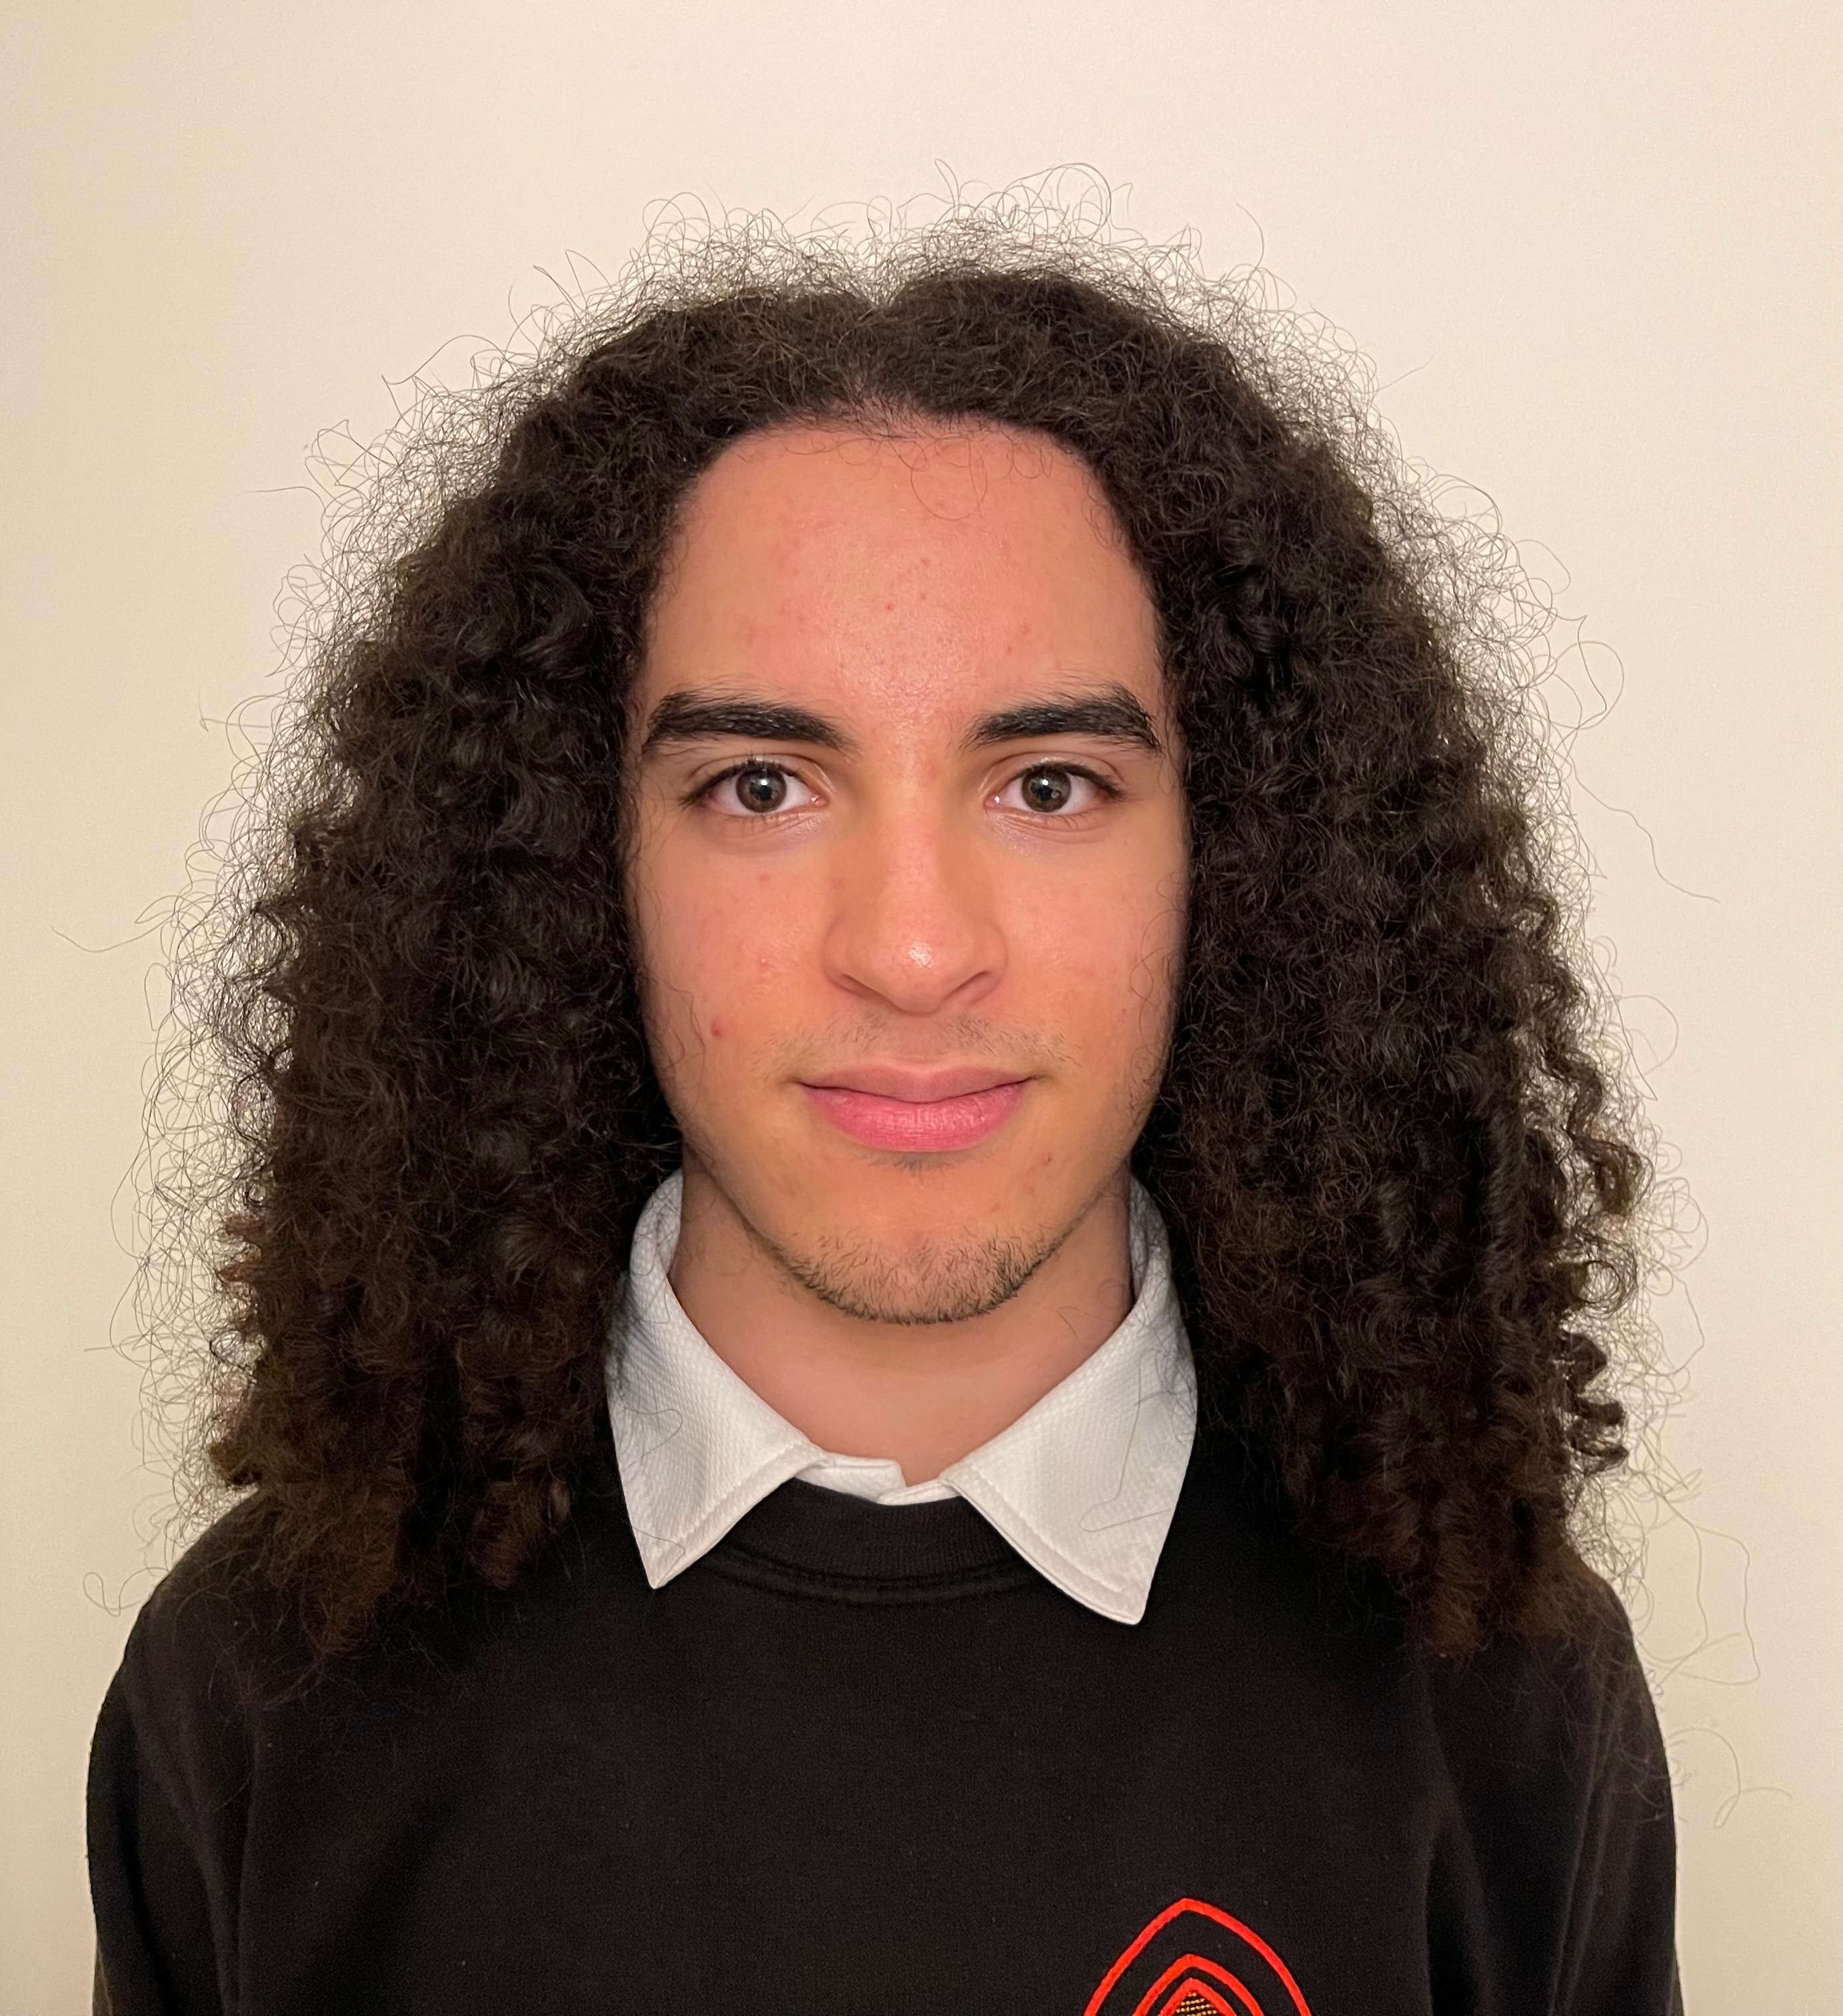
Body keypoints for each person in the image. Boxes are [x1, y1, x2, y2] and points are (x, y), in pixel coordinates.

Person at [86, 208, 1681, 2014]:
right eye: (762, 786)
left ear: (1236, 863)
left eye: (1050, 785)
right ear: (573, 865)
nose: (914, 950)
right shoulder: (263, 1691)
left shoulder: (1500, 1695)